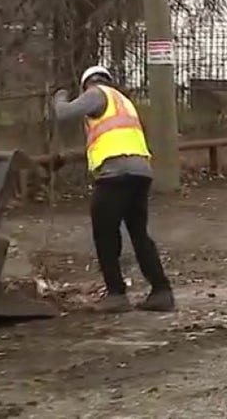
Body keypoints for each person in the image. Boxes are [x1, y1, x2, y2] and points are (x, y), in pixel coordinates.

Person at [53, 65, 175, 313]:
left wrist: (59, 96)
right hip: (140, 172)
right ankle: (162, 291)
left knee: (105, 234)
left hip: (114, 175)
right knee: (139, 234)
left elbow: (64, 113)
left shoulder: (96, 93)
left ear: (87, 83)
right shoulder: (124, 101)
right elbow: (110, 137)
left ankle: (116, 294)